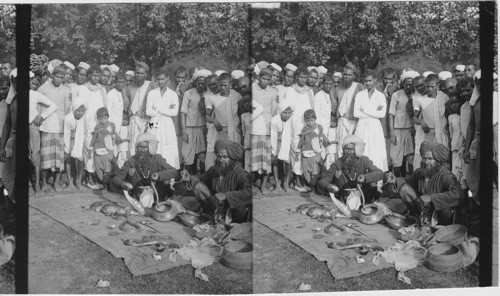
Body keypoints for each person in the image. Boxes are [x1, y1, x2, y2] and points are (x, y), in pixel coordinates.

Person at [389, 141, 464, 226]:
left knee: (445, 205)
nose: (426, 161)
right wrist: (395, 180)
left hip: (440, 214)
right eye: (424, 158)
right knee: (404, 189)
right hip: (424, 209)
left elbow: (459, 193)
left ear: (438, 160)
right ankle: (421, 219)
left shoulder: (446, 175)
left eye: (430, 159)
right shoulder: (420, 172)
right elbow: (408, 180)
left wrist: (431, 198)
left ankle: (437, 225)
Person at [181, 139, 252, 224]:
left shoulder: (241, 174)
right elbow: (202, 178)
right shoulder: (215, 170)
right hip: (217, 206)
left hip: (233, 211)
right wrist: (189, 178)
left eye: (224, 157)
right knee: (198, 187)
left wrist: (226, 196)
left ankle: (229, 222)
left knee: (239, 204)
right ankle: (212, 216)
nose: (221, 160)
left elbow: (250, 191)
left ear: (233, 158)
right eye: (219, 156)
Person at [317, 135, 385, 204]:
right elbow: (322, 181)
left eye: (351, 150)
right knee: (338, 173)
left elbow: (380, 173)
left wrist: (365, 178)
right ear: (343, 150)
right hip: (344, 196)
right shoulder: (338, 163)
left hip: (363, 196)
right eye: (346, 149)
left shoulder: (364, 160)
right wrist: (329, 186)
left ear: (356, 150)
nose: (349, 152)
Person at [112, 133, 179, 202]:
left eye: (145, 147)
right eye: (140, 147)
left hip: (157, 194)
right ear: (136, 148)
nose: (142, 150)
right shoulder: (132, 160)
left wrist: (159, 175)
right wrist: (122, 183)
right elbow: (116, 178)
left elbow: (173, 171)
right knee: (131, 172)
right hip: (137, 195)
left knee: (166, 179)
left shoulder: (157, 158)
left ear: (150, 148)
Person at [37, 66, 72, 192]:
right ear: (52, 76)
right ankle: (44, 183)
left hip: (60, 126)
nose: (59, 80)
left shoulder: (66, 90)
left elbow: (68, 109)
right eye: (57, 77)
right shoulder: (43, 89)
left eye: (62, 78)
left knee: (59, 157)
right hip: (47, 126)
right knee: (46, 155)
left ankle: (56, 183)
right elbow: (38, 106)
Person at [285, 67, 315, 192]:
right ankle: (296, 182)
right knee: (296, 154)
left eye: (305, 77)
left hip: (306, 128)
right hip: (295, 128)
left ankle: (301, 180)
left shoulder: (309, 91)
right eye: (300, 77)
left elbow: (312, 109)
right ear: (296, 77)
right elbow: (288, 110)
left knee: (306, 154)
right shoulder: (290, 91)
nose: (303, 79)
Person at [78, 65, 107, 189]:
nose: (96, 78)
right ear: (89, 75)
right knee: (88, 151)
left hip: (99, 126)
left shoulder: (102, 90)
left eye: (98, 75)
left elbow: (104, 108)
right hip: (88, 125)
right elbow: (81, 108)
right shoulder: (83, 89)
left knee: (99, 152)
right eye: (94, 75)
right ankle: (89, 179)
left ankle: (95, 178)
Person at [353, 69, 388, 172]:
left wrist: (365, 109)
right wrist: (373, 112)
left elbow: (381, 114)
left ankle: (377, 180)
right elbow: (356, 113)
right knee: (362, 150)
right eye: (366, 81)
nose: (368, 83)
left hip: (375, 127)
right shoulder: (360, 95)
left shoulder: (380, 96)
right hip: (362, 126)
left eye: (370, 81)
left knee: (375, 150)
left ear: (375, 80)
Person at [412, 74, 449, 169]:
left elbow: (447, 115)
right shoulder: (420, 100)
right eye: (427, 86)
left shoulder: (444, 97)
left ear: (438, 86)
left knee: (440, 157)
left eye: (432, 86)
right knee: (425, 156)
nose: (429, 89)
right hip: (427, 133)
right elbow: (414, 118)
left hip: (441, 132)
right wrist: (421, 122)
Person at [205, 73, 241, 169]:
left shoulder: (236, 96)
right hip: (220, 132)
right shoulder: (213, 98)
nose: (223, 88)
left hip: (233, 131)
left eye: (225, 85)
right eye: (220, 85)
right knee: (219, 156)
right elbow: (207, 116)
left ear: (231, 84)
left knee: (232, 156)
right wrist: (214, 120)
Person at [251, 68, 278, 194]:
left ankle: (263, 185)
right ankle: (251, 184)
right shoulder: (252, 89)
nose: (266, 81)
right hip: (254, 127)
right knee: (253, 157)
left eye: (268, 79)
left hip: (267, 127)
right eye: (263, 78)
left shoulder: (273, 92)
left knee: (266, 159)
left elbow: (274, 111)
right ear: (258, 77)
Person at [146, 70, 180, 169]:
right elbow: (148, 111)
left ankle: (169, 176)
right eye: (158, 79)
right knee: (153, 145)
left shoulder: (172, 94)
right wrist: (165, 110)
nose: (160, 82)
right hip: (153, 122)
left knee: (168, 147)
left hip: (167, 123)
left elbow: (174, 112)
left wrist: (158, 109)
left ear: (168, 79)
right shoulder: (152, 93)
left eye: (162, 79)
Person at [29, 74, 57, 195]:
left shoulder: (35, 94)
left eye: (36, 84)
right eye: (31, 83)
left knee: (35, 154)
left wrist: (41, 116)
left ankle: (37, 185)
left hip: (32, 126)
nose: (33, 86)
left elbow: (53, 105)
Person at [389, 71, 418, 177]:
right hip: (397, 129)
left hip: (410, 129)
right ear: (402, 83)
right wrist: (392, 132)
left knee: (411, 156)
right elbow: (391, 114)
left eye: (411, 84)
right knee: (396, 158)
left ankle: (411, 181)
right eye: (407, 84)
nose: (409, 86)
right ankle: (396, 182)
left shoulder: (416, 95)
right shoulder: (396, 95)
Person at [181, 70, 210, 174]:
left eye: (203, 83)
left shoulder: (208, 94)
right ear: (195, 83)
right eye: (199, 83)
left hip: (202, 128)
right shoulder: (188, 93)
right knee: (188, 157)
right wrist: (184, 131)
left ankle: (202, 179)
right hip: (189, 128)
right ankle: (188, 182)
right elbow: (183, 113)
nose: (201, 85)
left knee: (202, 155)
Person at [123, 62, 156, 151]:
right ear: (134, 73)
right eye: (137, 73)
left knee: (148, 143)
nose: (139, 75)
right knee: (134, 145)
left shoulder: (151, 85)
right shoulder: (129, 87)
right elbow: (126, 105)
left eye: (142, 73)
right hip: (134, 120)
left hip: (149, 120)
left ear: (146, 74)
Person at [296, 109, 329, 195]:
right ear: (305, 121)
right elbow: (301, 141)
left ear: (315, 119)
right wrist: (297, 151)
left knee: (315, 172)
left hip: (316, 153)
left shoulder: (319, 127)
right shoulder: (304, 129)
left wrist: (326, 146)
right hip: (306, 153)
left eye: (312, 120)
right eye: (308, 121)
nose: (310, 122)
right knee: (306, 172)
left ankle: (314, 189)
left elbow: (322, 137)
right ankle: (309, 186)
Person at [90, 107, 121, 191]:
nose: (103, 121)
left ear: (108, 117)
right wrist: (91, 146)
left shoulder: (111, 125)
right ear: (97, 119)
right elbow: (95, 137)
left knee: (108, 168)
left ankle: (108, 186)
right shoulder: (97, 127)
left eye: (104, 118)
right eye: (100, 119)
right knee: (99, 167)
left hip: (108, 150)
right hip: (98, 149)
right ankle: (101, 183)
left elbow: (114, 133)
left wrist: (118, 139)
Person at [337, 65, 364, 153]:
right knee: (342, 146)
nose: (347, 77)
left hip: (355, 122)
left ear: (354, 76)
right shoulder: (338, 88)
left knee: (354, 147)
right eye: (345, 74)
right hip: (342, 122)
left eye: (349, 75)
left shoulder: (358, 87)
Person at [314, 73, 338, 169]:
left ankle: (330, 177)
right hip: (321, 130)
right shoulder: (319, 95)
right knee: (321, 154)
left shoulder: (334, 95)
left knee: (331, 154)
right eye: (326, 83)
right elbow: (316, 115)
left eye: (330, 83)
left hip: (332, 130)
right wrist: (322, 133)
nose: (328, 86)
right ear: (322, 83)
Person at [63, 97, 87, 190]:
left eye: (82, 110)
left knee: (80, 159)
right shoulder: (68, 118)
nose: (80, 113)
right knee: (68, 158)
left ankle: (78, 181)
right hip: (70, 138)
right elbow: (67, 134)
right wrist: (67, 149)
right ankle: (70, 182)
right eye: (78, 110)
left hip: (81, 139)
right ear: (73, 109)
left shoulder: (85, 117)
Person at [270, 99, 294, 192]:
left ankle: (286, 184)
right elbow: (273, 137)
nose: (287, 115)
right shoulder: (275, 120)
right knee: (275, 162)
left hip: (288, 142)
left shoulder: (292, 119)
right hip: (277, 141)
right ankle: (277, 185)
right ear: (280, 111)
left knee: (288, 163)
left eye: (289, 112)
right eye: (284, 112)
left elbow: (294, 133)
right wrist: (274, 151)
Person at [447, 92, 465, 187]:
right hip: (455, 150)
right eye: (451, 103)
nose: (453, 105)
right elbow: (451, 135)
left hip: (465, 149)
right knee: (455, 174)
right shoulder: (451, 117)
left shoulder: (466, 114)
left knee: (464, 176)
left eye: (456, 102)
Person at [240, 91, 255, 173]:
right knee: (247, 165)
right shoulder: (244, 116)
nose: (246, 104)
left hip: (258, 144)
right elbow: (244, 132)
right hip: (248, 144)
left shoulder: (260, 114)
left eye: (248, 101)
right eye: (244, 102)